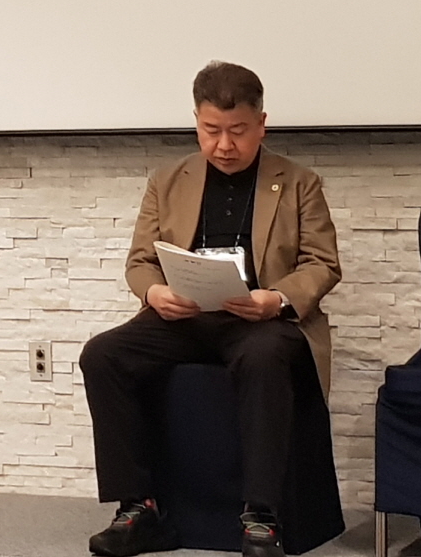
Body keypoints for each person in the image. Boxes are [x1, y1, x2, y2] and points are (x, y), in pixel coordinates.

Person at [79, 62, 341, 557]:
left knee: (265, 356)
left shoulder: (299, 182)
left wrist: (276, 298)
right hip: (185, 316)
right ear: (196, 122)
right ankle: (138, 508)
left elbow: (322, 263)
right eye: (210, 130)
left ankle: (261, 517)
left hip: (259, 319)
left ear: (261, 124)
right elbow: (140, 262)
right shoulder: (167, 181)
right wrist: (154, 293)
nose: (224, 145)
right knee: (103, 355)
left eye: (237, 131)